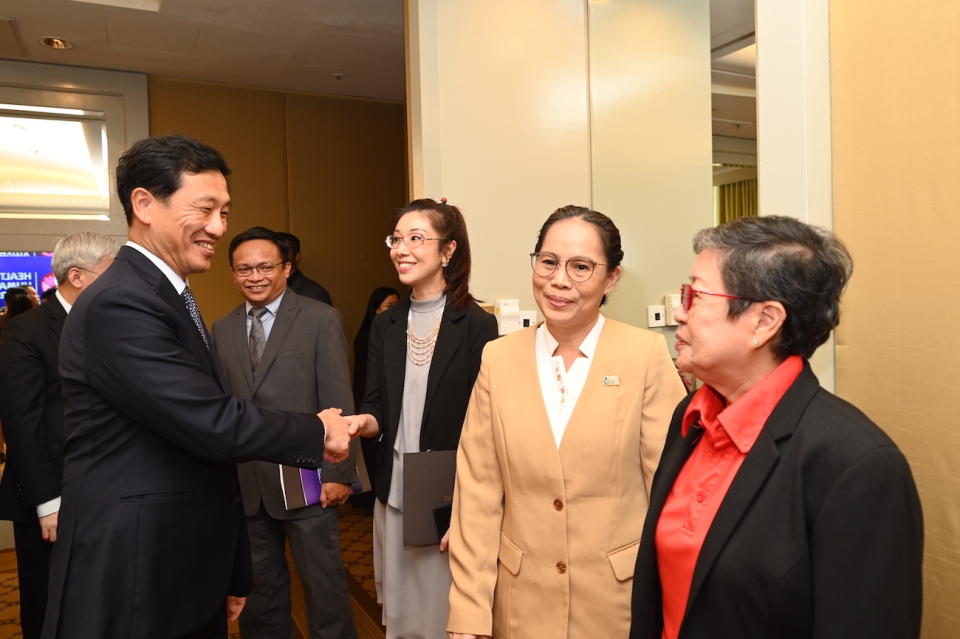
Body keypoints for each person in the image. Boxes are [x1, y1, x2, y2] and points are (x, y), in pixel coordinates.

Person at [42, 134, 355, 639]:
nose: (218, 227)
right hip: (138, 567)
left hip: (178, 557)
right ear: (144, 203)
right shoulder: (122, 302)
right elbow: (208, 419)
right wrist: (316, 432)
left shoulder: (164, 294)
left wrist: (227, 570)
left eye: (224, 212)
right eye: (205, 209)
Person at [629, 216, 923, 639]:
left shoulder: (857, 466)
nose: (679, 310)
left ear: (765, 321)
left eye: (695, 294)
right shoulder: (691, 415)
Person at [446, 205, 686, 639]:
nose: (560, 280)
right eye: (549, 261)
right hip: (521, 603)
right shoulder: (498, 359)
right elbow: (478, 493)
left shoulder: (644, 356)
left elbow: (672, 494)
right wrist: (469, 611)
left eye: (581, 267)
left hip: (618, 604)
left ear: (611, 278)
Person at [347, 198, 498, 639]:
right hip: (393, 490)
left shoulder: (475, 325)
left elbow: (482, 422)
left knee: (446, 611)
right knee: (402, 613)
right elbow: (376, 406)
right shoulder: (387, 323)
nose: (401, 249)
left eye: (416, 238)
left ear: (448, 251)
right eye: (397, 238)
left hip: (447, 495)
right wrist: (361, 424)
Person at [212, 226, 357, 639]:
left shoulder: (319, 319)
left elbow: (337, 398)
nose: (255, 276)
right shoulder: (221, 330)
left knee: (324, 585)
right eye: (244, 269)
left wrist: (338, 475)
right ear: (232, 274)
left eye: (264, 267)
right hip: (249, 480)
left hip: (309, 476)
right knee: (260, 591)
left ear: (287, 268)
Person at [0, 232, 118, 639]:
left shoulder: (109, 326)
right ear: (77, 276)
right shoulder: (25, 333)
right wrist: (47, 501)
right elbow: (22, 421)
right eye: (109, 273)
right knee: (48, 603)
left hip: (104, 489)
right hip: (49, 496)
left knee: (99, 599)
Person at [352, 286, 400, 407]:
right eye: (389, 306)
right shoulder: (366, 336)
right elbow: (362, 375)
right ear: (377, 309)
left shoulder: (400, 334)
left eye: (397, 306)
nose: (395, 311)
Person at [276, 231, 334, 306]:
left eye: (285, 251)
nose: (279, 256)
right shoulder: (265, 287)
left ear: (297, 257)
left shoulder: (315, 294)